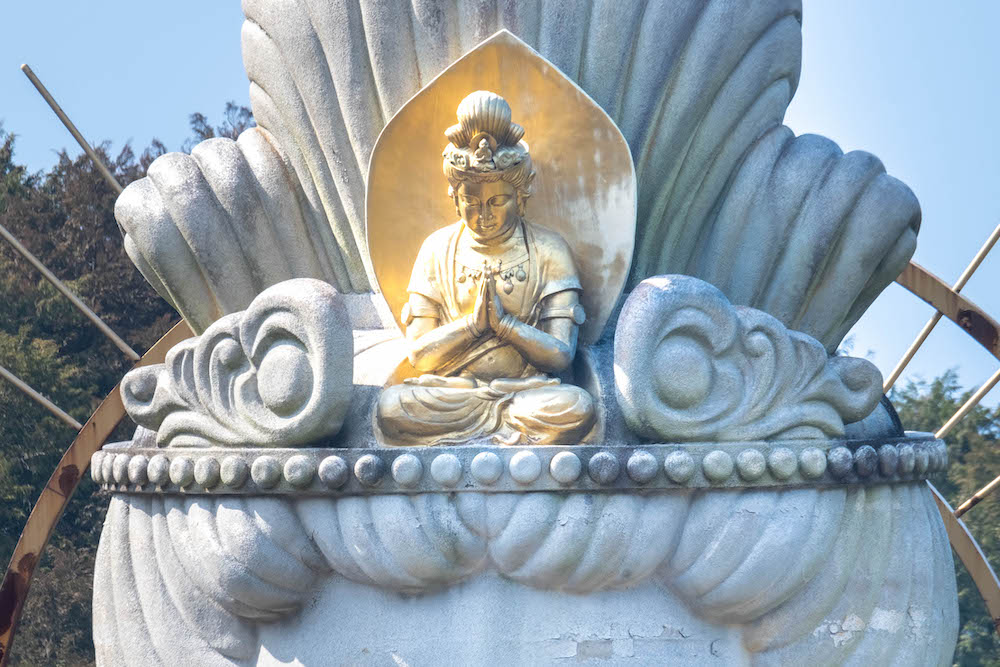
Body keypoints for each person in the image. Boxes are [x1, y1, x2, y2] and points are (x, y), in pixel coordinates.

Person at [375, 91, 595, 446]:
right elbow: (419, 356)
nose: (484, 214)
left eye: (497, 201)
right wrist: (472, 326)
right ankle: (500, 426)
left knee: (577, 406)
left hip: (527, 392)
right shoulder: (436, 250)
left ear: (520, 198)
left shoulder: (549, 250)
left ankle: (493, 423)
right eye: (471, 201)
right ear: (454, 198)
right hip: (454, 392)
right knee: (392, 407)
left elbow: (560, 355)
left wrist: (506, 326)